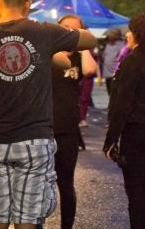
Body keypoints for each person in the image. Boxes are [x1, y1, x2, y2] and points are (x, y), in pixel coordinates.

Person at [0, 0, 97, 229]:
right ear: (27, 4)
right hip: (34, 139)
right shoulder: (44, 32)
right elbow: (89, 40)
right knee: (27, 218)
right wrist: (62, 42)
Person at [103, 15, 145, 229]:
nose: (127, 35)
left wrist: (110, 139)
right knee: (144, 186)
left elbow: (123, 103)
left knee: (135, 190)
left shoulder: (133, 61)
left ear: (139, 34)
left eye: (130, 31)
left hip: (136, 131)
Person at [51, 14, 98, 229]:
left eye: (74, 29)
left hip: (68, 130)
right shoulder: (47, 52)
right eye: (65, 27)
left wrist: (82, 45)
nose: (69, 31)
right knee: (39, 184)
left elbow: (90, 71)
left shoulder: (79, 58)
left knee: (66, 183)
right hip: (43, 129)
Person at [100, 27, 124, 105]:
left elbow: (122, 58)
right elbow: (104, 57)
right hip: (107, 73)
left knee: (116, 94)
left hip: (115, 74)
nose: (109, 36)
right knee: (110, 92)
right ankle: (112, 106)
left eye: (111, 35)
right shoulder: (107, 45)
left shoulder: (121, 46)